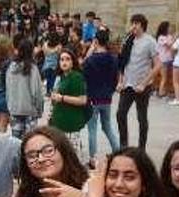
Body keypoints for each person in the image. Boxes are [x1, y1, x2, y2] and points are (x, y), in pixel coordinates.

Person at [116, 14, 160, 150]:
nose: (133, 26)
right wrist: (120, 81)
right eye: (132, 23)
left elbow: (158, 65)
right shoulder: (128, 40)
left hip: (142, 86)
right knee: (120, 114)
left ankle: (141, 149)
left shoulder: (150, 41)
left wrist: (144, 83)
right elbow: (123, 63)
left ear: (142, 25)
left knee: (141, 117)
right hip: (127, 84)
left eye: (136, 23)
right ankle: (124, 146)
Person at [83, 30, 120, 163]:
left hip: (93, 98)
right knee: (107, 126)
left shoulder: (90, 60)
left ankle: (93, 158)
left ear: (96, 41)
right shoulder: (113, 58)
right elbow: (115, 79)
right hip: (106, 98)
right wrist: (110, 91)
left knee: (92, 129)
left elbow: (84, 74)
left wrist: (90, 51)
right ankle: (117, 150)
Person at [48, 49, 88, 158]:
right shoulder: (62, 77)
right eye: (61, 59)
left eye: (67, 59)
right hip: (59, 124)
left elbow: (82, 100)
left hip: (70, 125)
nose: (64, 62)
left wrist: (62, 98)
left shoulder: (76, 77)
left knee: (72, 157)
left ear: (73, 62)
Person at [5, 37, 43, 140]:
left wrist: (10, 107)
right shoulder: (32, 68)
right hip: (30, 110)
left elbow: (8, 89)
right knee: (29, 140)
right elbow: (37, 92)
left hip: (15, 109)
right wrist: (39, 109)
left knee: (16, 141)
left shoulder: (11, 68)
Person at [154, 22, 174, 98]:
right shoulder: (161, 37)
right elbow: (169, 45)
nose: (170, 29)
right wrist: (175, 38)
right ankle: (160, 93)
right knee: (164, 77)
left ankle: (164, 91)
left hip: (170, 59)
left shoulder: (169, 36)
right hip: (163, 60)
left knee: (167, 77)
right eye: (169, 27)